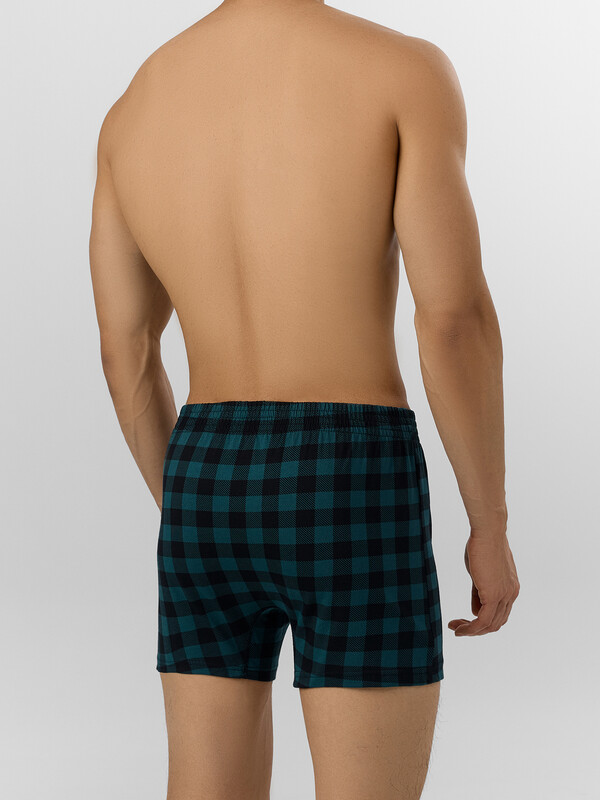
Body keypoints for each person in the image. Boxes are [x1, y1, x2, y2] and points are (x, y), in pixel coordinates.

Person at [89, 0, 519, 797]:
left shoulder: (136, 104)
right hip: (350, 473)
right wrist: (488, 523)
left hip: (203, 470)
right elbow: (454, 319)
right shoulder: (403, 70)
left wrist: (190, 510)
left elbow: (127, 350)